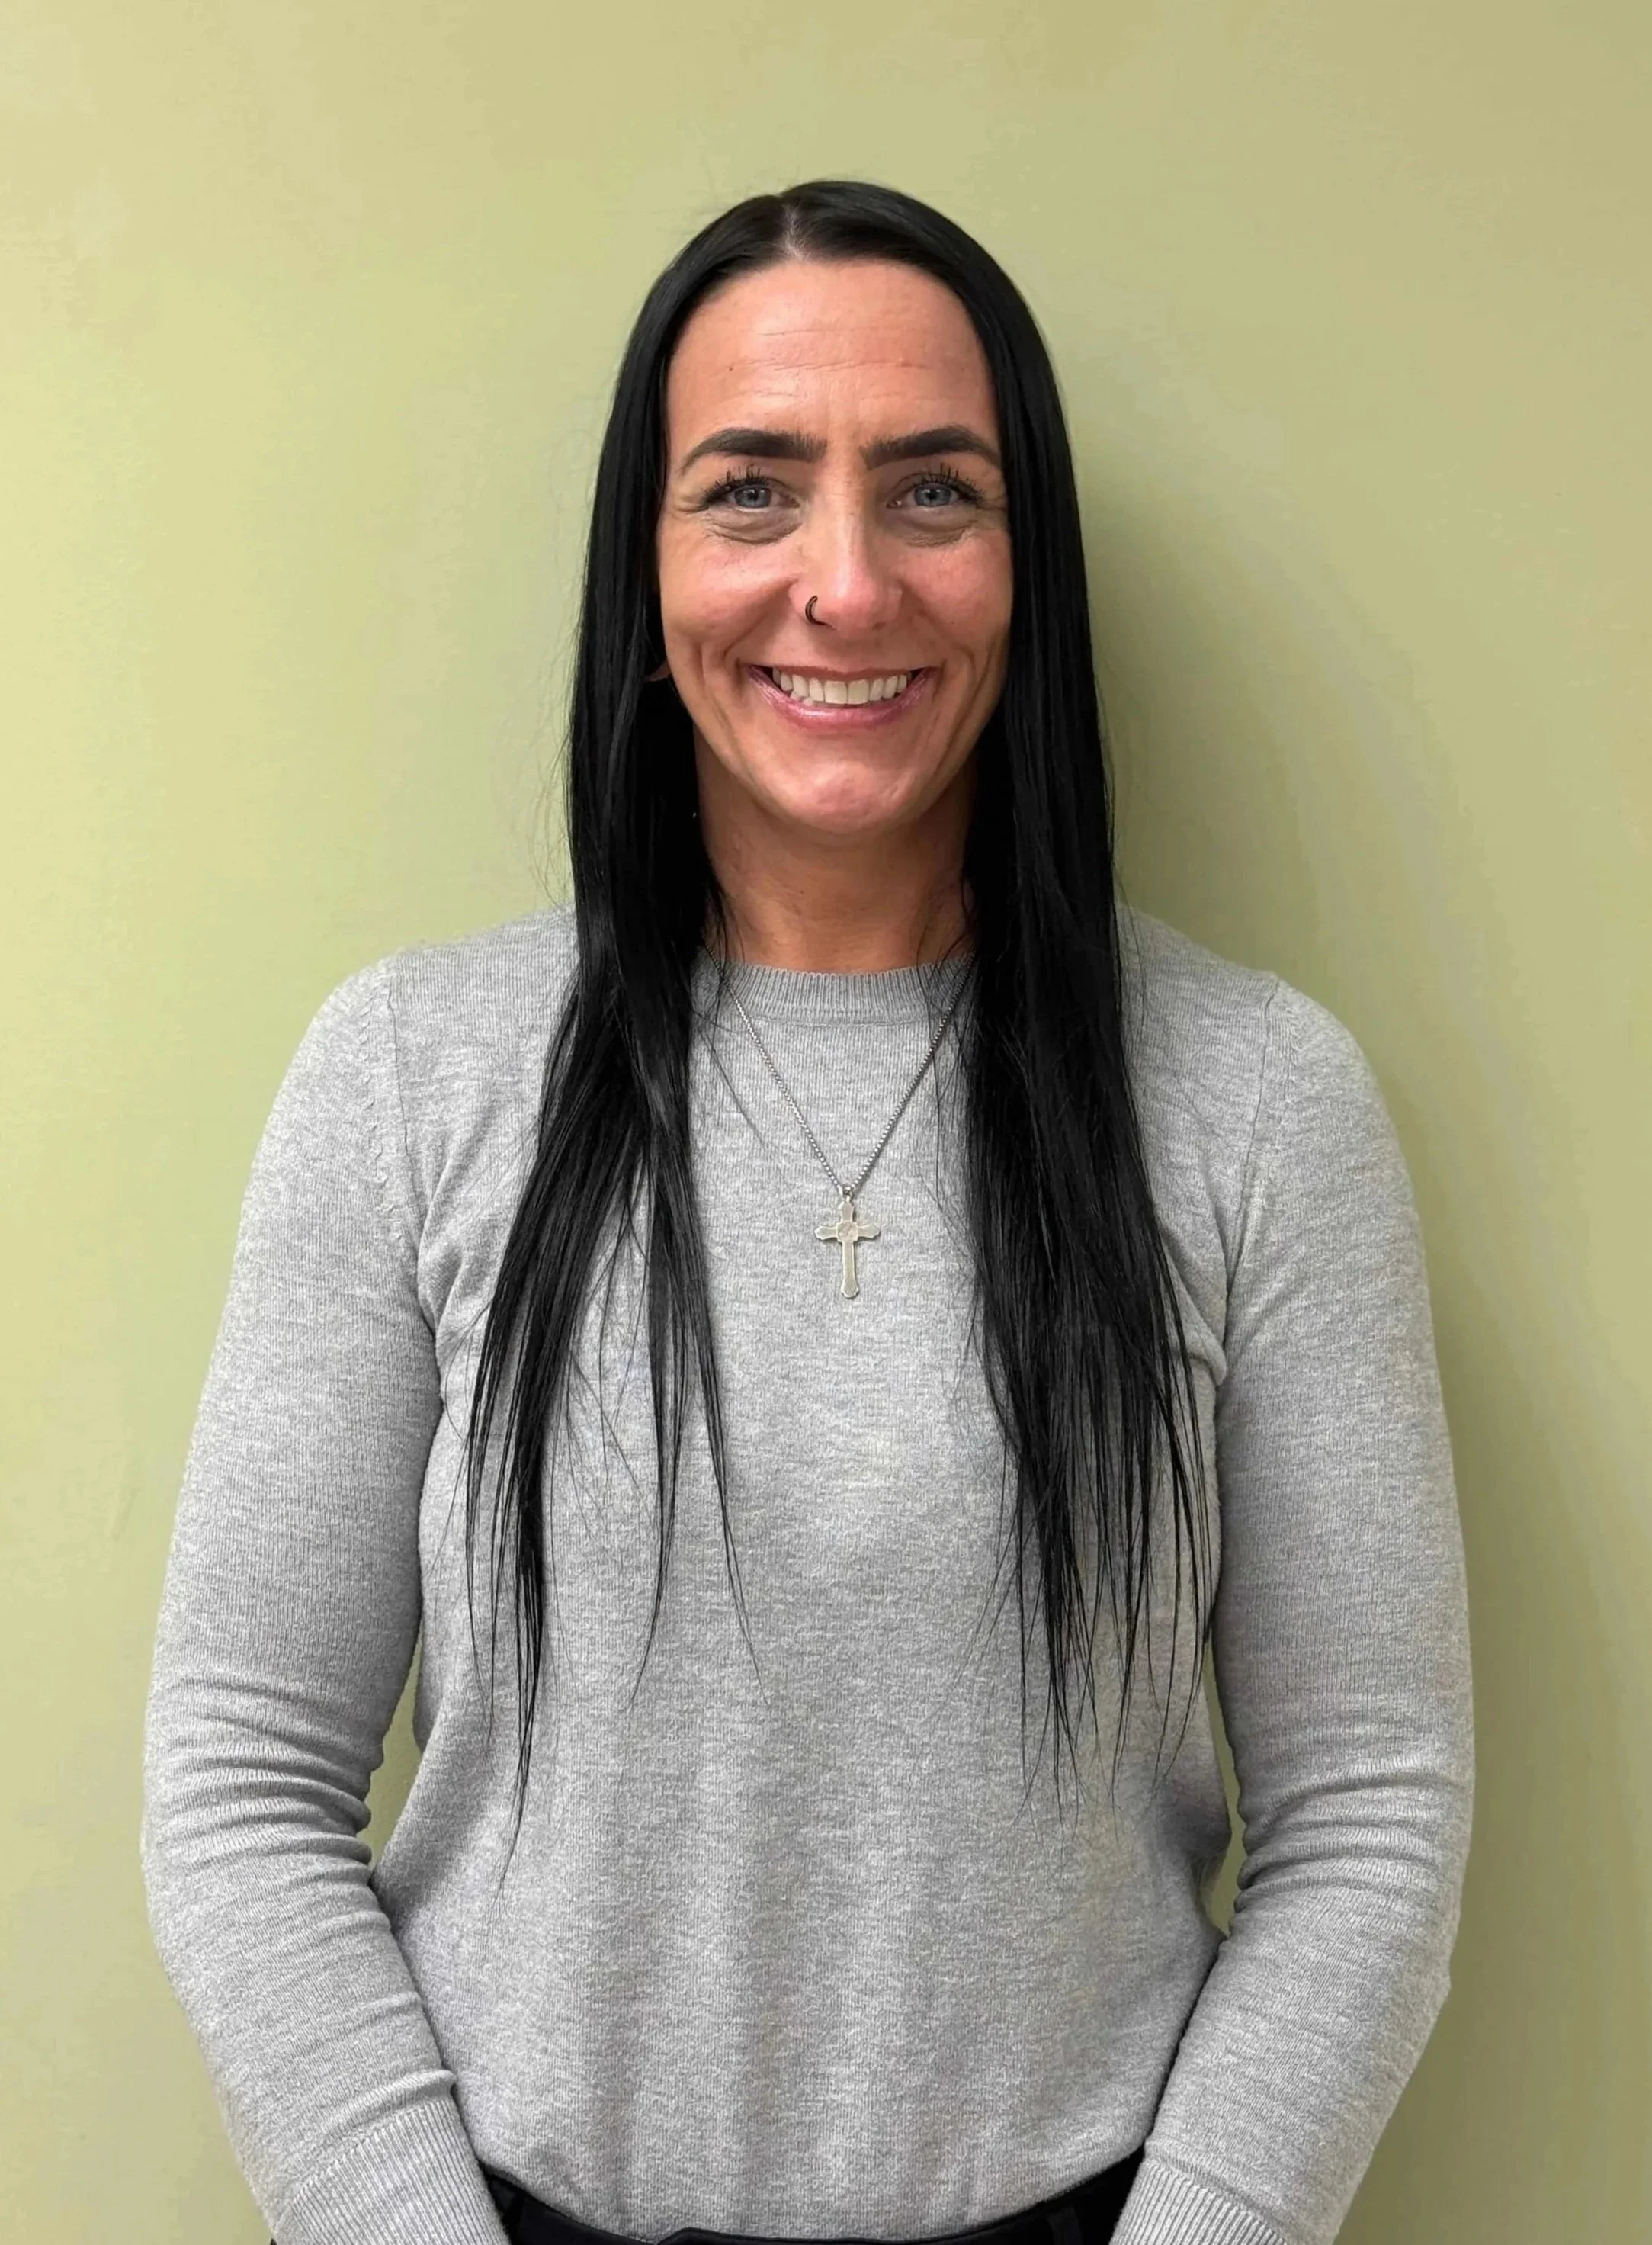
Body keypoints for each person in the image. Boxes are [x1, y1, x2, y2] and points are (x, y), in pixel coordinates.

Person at [141, 180, 1474, 2245]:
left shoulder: (1252, 1104)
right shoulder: (411, 1075)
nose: (841, 586)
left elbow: (1371, 1815)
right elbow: (240, 1780)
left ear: (1021, 564)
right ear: (646, 561)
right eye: (750, 491)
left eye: (930, 494)